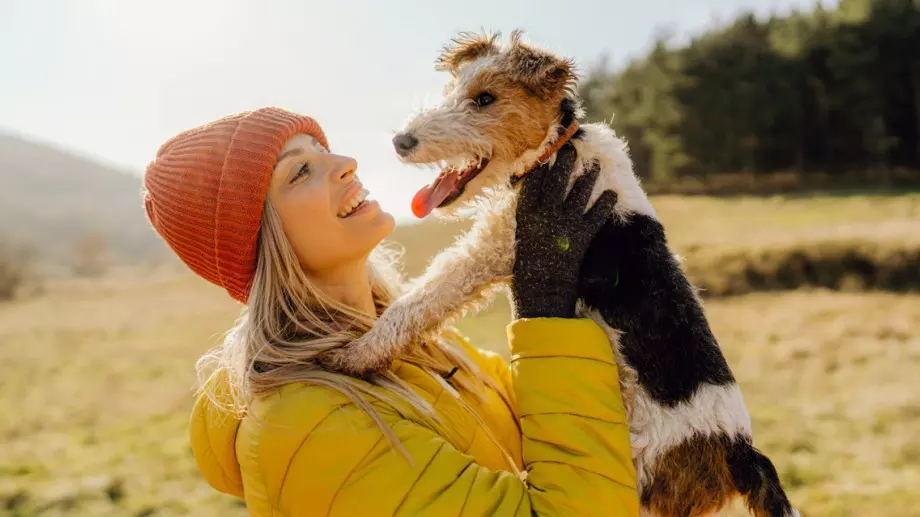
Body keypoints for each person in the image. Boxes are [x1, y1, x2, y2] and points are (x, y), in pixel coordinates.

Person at [142, 107, 637, 516]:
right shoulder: (306, 427)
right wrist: (545, 314)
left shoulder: (411, 343)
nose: (346, 162)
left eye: (323, 149)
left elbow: (544, 424)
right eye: (299, 171)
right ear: (260, 240)